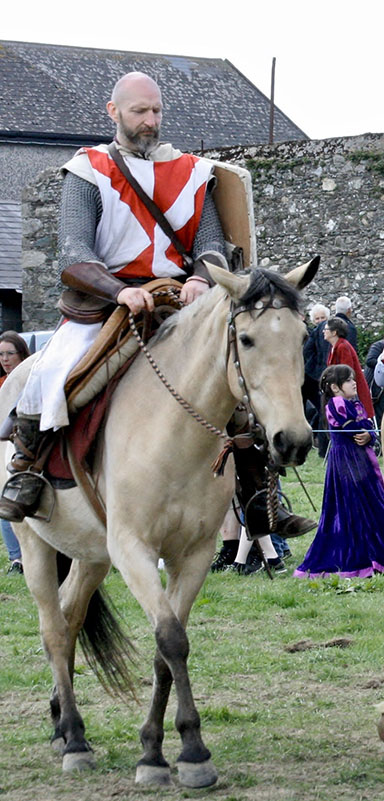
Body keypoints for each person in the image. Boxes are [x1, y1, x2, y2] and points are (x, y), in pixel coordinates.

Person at [0, 72, 315, 539]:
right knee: (53, 372)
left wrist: (198, 277)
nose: (150, 121)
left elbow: (211, 243)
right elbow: (74, 254)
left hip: (176, 303)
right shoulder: (89, 170)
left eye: (156, 111)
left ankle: (256, 494)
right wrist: (118, 290)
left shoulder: (190, 172)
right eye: (139, 111)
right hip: (106, 302)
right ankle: (28, 467)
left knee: (233, 379)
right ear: (114, 112)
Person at [294, 364, 384, 578]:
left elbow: (367, 425)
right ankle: (357, 560)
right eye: (349, 380)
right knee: (351, 510)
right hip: (346, 466)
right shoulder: (336, 405)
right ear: (335, 387)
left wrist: (370, 434)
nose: (354, 382)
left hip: (362, 463)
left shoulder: (354, 403)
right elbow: (351, 428)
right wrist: (367, 431)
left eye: (353, 379)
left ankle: (375, 556)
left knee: (374, 508)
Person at [0, 331, 30, 572]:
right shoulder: (1, 384)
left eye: (10, 353)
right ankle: (16, 559)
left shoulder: (29, 379)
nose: (5, 359)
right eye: (1, 354)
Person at [324, 316, 373, 422]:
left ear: (334, 332)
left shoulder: (342, 347)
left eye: (326, 329)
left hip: (350, 393)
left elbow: (346, 372)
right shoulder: (334, 347)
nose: (324, 331)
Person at [304, 303, 332, 456]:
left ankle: (323, 446)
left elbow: (307, 352)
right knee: (321, 410)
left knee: (322, 410)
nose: (320, 321)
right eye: (317, 319)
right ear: (312, 320)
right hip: (314, 378)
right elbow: (307, 352)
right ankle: (321, 446)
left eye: (323, 318)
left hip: (317, 376)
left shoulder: (316, 333)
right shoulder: (314, 333)